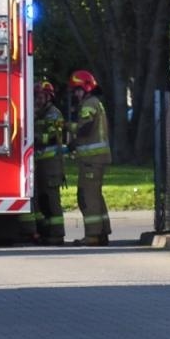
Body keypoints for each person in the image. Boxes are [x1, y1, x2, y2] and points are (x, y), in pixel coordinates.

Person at [68, 69, 111, 246]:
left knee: (88, 197)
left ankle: (93, 235)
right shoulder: (95, 102)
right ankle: (102, 232)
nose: (76, 94)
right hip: (95, 160)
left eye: (77, 90)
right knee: (95, 195)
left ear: (86, 87)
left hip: (92, 161)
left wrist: (68, 126)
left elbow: (85, 128)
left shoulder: (89, 104)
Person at [29, 80, 68, 244]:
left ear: (48, 97)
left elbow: (53, 137)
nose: (37, 99)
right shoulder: (39, 113)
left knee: (52, 199)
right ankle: (45, 233)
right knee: (42, 200)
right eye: (36, 96)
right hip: (41, 164)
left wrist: (35, 139)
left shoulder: (54, 114)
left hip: (52, 164)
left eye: (41, 96)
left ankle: (57, 234)